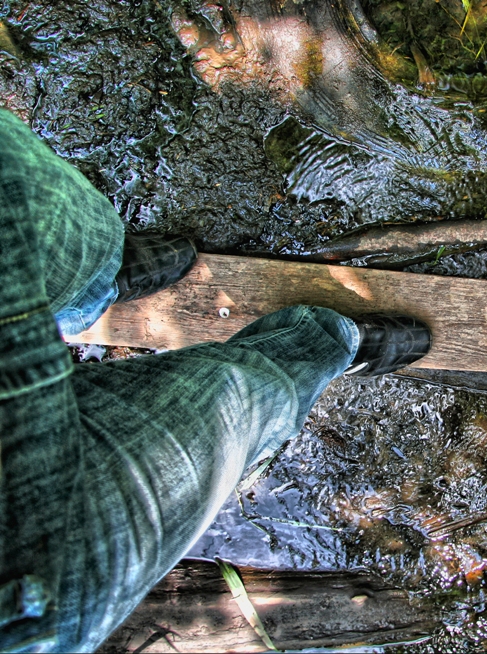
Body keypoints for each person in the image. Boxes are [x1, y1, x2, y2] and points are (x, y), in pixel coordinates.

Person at [0, 108, 431, 652]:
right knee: (229, 404)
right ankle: (324, 345)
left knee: (36, 213)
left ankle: (96, 280)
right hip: (24, 559)